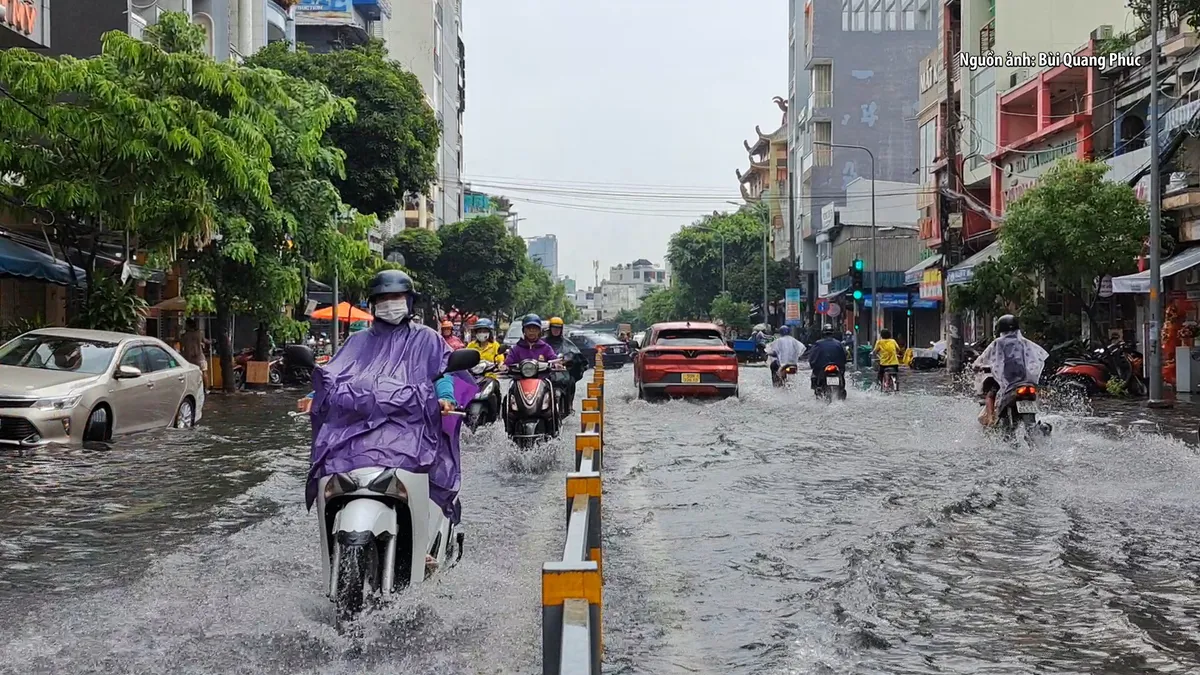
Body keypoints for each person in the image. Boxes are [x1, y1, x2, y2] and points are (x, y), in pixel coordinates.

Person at [307, 269, 476, 571]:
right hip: (359, 434)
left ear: (409, 301)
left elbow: (442, 374)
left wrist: (445, 398)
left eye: (395, 297)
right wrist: (315, 395)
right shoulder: (357, 342)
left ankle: (422, 540)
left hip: (410, 430)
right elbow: (336, 375)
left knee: (427, 467)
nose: (390, 303)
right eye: (383, 298)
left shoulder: (427, 339)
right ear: (373, 304)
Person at [975, 314, 1048, 427]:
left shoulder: (998, 343)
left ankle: (990, 420)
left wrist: (977, 366)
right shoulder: (1024, 342)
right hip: (1026, 382)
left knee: (990, 394)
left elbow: (983, 359)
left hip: (1007, 384)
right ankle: (1040, 427)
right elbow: (1038, 357)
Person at [543, 316, 584, 414]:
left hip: (562, 372)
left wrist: (569, 360)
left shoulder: (566, 343)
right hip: (545, 371)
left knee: (571, 381)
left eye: (558, 328)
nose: (556, 330)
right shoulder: (542, 343)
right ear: (550, 329)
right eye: (554, 328)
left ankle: (569, 405)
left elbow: (576, 355)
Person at [807, 324, 848, 389]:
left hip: (823, 368)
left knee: (814, 377)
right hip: (835, 368)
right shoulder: (838, 343)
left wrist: (812, 364)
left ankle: (817, 388)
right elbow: (844, 357)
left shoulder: (818, 343)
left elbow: (812, 357)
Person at [179, 318, 209, 390]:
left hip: (189, 358)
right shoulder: (199, 333)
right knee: (204, 372)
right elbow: (205, 341)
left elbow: (181, 344)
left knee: (190, 374)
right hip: (199, 356)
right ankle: (206, 389)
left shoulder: (185, 336)